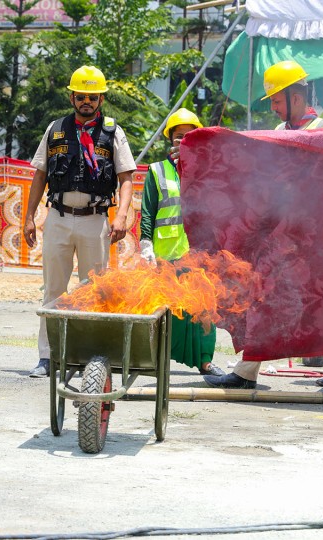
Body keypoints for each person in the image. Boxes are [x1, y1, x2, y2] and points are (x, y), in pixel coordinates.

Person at [204, 60, 323, 392]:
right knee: (263, 298)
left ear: (295, 96)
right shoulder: (279, 134)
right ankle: (249, 372)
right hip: (281, 239)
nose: (273, 107)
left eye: (276, 99)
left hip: (314, 240)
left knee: (318, 304)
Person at [23, 65, 136, 378]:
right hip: (58, 218)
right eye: (81, 95)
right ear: (72, 97)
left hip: (95, 220)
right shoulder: (55, 128)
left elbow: (126, 177)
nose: (87, 101)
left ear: (100, 99)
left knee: (94, 289)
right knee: (53, 290)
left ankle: (88, 356)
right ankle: (48, 357)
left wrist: (122, 215)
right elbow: (40, 175)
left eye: (93, 96)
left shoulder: (113, 131)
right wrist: (29, 217)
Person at [140, 108, 217, 375]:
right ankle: (158, 360)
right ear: (169, 140)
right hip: (166, 252)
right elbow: (148, 210)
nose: (183, 142)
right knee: (166, 309)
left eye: (189, 137)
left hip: (198, 253)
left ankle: (206, 361)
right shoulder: (157, 171)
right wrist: (145, 244)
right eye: (178, 137)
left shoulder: (208, 171)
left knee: (203, 307)